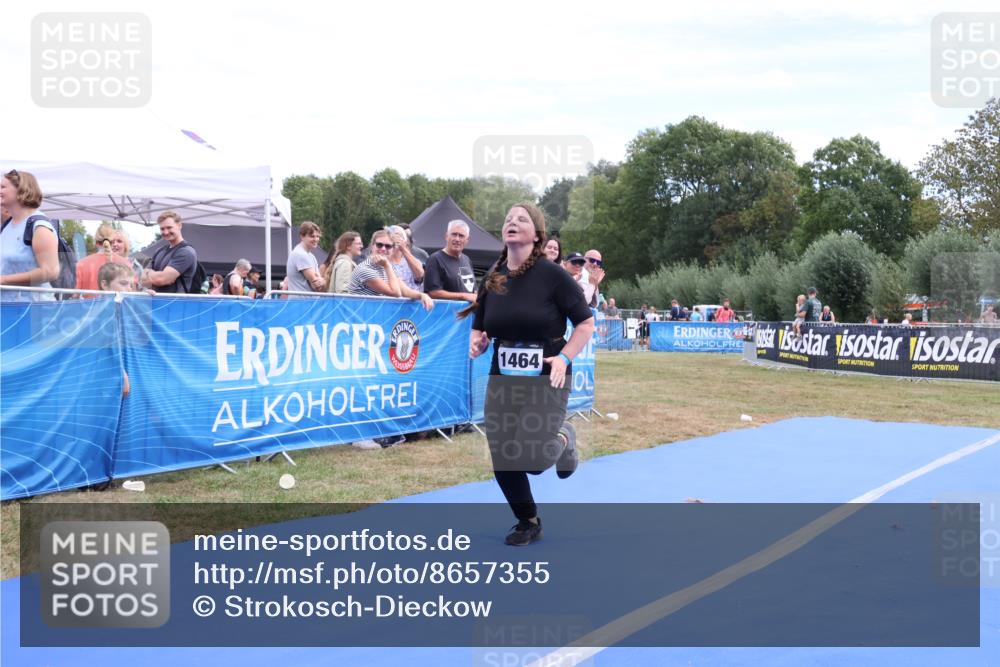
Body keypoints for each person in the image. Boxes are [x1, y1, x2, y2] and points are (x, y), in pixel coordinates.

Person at [463, 202, 594, 546]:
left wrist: (565, 358)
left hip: (548, 374)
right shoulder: (493, 275)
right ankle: (527, 520)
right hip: (503, 377)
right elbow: (480, 325)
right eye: (507, 218)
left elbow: (585, 322)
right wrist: (478, 342)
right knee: (503, 455)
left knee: (533, 459)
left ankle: (564, 436)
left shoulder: (552, 275)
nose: (512, 222)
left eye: (521, 219)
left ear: (536, 235)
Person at [0, 169, 59, 302]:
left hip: (34, 311)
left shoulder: (39, 226)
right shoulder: (7, 226)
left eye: (3, 187)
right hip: (9, 308)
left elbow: (50, 271)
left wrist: (3, 280)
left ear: (21, 189)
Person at [348, 229, 433, 309]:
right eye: (379, 245)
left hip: (377, 315)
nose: (383, 249)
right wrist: (387, 266)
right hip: (362, 316)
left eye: (388, 246)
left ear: (393, 249)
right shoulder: (365, 269)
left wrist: (422, 295)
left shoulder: (387, 267)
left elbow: (404, 290)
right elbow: (396, 293)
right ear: (372, 246)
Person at [141, 211, 199, 293]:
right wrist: (156, 276)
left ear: (179, 226)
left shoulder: (186, 252)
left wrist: (150, 274)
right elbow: (142, 279)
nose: (165, 232)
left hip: (175, 304)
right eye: (162, 229)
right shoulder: (159, 251)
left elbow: (161, 280)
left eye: (169, 227)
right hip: (156, 303)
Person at [424, 220, 477, 302]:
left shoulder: (467, 260)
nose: (457, 239)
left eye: (461, 236)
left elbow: (473, 290)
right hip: (446, 313)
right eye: (454, 234)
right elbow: (433, 292)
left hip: (467, 313)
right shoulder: (435, 259)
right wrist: (463, 296)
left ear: (467, 239)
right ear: (446, 236)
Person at [75, 223, 133, 295]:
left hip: (89, 306)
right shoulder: (126, 263)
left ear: (96, 242)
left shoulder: (81, 263)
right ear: (112, 241)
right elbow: (133, 292)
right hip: (117, 305)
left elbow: (75, 294)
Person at [285, 221, 325, 295]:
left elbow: (318, 283)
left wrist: (322, 281)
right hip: (303, 303)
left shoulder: (310, 255)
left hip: (305, 302)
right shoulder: (301, 255)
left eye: (318, 236)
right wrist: (325, 281)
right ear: (302, 236)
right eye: (312, 236)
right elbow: (317, 286)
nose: (316, 239)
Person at [387, 225, 424, 292]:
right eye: (393, 237)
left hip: (414, 300)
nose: (397, 239)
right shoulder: (384, 261)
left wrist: (403, 249)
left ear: (406, 242)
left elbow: (420, 275)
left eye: (400, 236)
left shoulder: (413, 260)